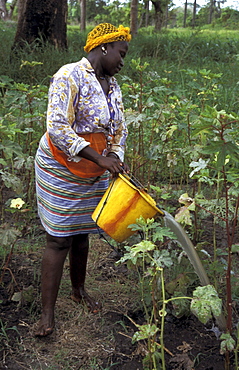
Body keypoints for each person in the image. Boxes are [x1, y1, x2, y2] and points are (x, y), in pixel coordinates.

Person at [34, 23, 131, 337]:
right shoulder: (69, 75)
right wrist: (99, 157)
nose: (122, 61)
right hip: (59, 166)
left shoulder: (112, 85)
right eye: (121, 53)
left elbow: (118, 129)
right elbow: (58, 128)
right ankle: (47, 315)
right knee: (59, 237)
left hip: (92, 170)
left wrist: (115, 155)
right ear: (104, 47)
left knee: (82, 232)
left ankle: (78, 291)